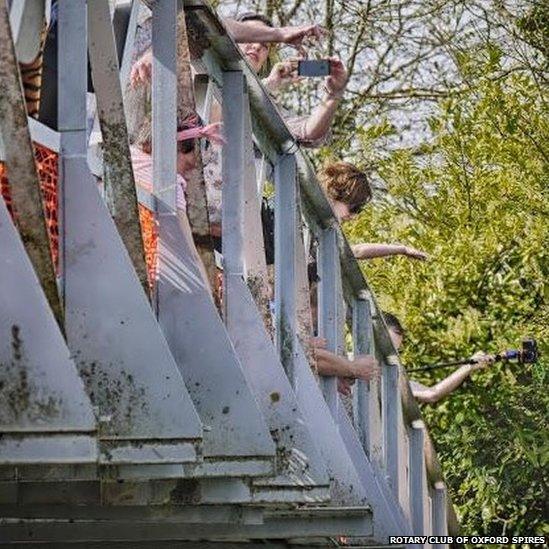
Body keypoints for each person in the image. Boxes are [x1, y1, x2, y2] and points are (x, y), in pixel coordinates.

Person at [319, 162, 429, 261]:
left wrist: (402, 249)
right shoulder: (308, 213)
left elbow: (355, 251)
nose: (352, 216)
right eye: (354, 208)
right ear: (339, 194)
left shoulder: (328, 230)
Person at [383, 312, 495, 404]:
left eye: (395, 351)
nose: (390, 355)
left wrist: (469, 366)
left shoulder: (390, 377)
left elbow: (431, 394)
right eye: (387, 347)